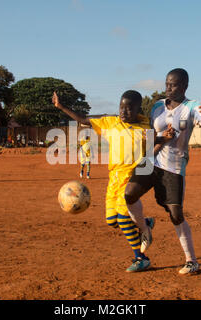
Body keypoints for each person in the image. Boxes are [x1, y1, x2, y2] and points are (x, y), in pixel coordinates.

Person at [52, 90, 170, 272]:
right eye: (122, 107)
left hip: (131, 178)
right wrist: (61, 106)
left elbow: (155, 142)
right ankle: (144, 223)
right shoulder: (110, 122)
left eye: (129, 108)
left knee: (123, 219)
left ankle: (141, 258)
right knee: (111, 221)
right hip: (113, 178)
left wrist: (162, 138)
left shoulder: (145, 126)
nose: (124, 111)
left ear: (139, 109)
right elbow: (83, 120)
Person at [124, 68, 201, 275]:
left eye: (173, 85)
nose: (168, 88)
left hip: (173, 166)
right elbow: (148, 136)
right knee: (129, 194)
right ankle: (145, 228)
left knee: (175, 214)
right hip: (151, 159)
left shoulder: (192, 107)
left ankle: (191, 260)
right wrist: (158, 138)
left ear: (184, 86)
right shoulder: (157, 106)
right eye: (166, 84)